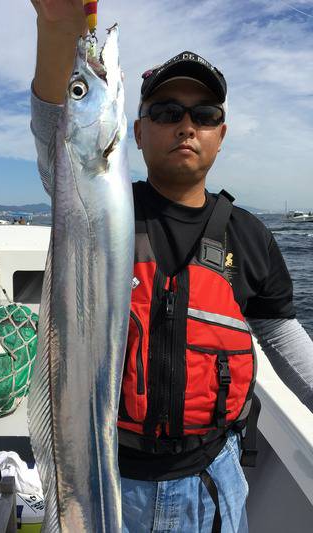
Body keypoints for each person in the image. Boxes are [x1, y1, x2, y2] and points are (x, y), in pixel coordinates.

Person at [29, 1, 313, 531]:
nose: (186, 125)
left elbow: (283, 338)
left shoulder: (249, 237)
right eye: (166, 112)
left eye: (203, 115)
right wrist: (56, 28)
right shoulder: (98, 197)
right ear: (135, 131)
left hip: (213, 485)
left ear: (220, 135)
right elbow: (56, 135)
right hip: (109, 481)